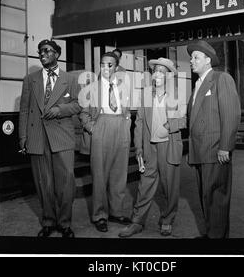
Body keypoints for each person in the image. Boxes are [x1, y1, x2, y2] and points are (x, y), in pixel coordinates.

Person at [18, 39, 81, 238]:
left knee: (66, 182)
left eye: (47, 50)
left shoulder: (69, 78)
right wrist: (23, 137)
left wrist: (59, 110)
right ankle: (48, 221)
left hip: (61, 135)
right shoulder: (30, 79)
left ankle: (64, 224)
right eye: (40, 51)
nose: (42, 54)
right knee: (43, 183)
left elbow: (78, 105)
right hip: (37, 137)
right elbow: (24, 110)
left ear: (57, 54)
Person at [119, 58, 186, 238]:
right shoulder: (146, 94)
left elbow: (184, 119)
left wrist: (168, 126)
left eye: (162, 72)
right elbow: (139, 122)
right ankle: (137, 222)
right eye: (155, 71)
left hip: (169, 145)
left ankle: (167, 219)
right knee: (145, 185)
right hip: (149, 147)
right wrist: (139, 148)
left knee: (169, 185)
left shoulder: (177, 95)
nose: (157, 74)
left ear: (168, 76)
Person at [187, 40, 241, 239]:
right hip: (201, 151)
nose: (191, 61)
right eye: (191, 58)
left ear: (208, 60)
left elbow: (231, 114)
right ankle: (212, 234)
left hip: (216, 150)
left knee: (216, 198)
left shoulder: (221, 79)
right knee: (206, 197)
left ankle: (217, 240)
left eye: (196, 57)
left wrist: (225, 147)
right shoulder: (198, 84)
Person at [79, 52, 131, 233]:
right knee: (100, 176)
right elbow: (83, 114)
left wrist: (127, 121)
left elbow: (127, 110)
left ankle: (116, 212)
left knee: (119, 174)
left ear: (116, 68)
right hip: (101, 127)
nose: (106, 68)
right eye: (103, 64)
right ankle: (100, 215)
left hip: (121, 128)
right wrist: (93, 128)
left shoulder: (123, 87)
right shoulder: (91, 88)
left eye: (110, 65)